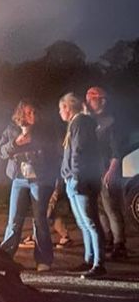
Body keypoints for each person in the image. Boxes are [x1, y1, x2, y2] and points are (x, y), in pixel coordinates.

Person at [0, 100, 58, 271]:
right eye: (28, 113)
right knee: (14, 220)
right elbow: (0, 152)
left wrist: (36, 145)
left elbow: (54, 153)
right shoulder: (11, 129)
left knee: (39, 219)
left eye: (34, 112)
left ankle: (43, 260)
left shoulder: (45, 129)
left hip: (39, 179)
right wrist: (16, 143)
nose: (32, 116)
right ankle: (4, 257)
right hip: (18, 179)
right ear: (21, 114)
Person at [58, 92, 105, 278]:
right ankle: (89, 259)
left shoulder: (80, 123)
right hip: (73, 179)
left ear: (68, 108)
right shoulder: (76, 123)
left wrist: (76, 176)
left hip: (82, 180)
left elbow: (79, 151)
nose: (60, 112)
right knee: (83, 223)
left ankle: (99, 263)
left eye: (61, 108)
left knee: (91, 222)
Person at [85, 87, 128, 259]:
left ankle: (120, 244)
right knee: (100, 209)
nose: (89, 102)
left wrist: (111, 170)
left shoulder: (110, 122)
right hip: (94, 171)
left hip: (106, 171)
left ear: (101, 100)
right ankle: (108, 238)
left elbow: (116, 150)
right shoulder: (91, 121)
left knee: (111, 207)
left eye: (92, 99)